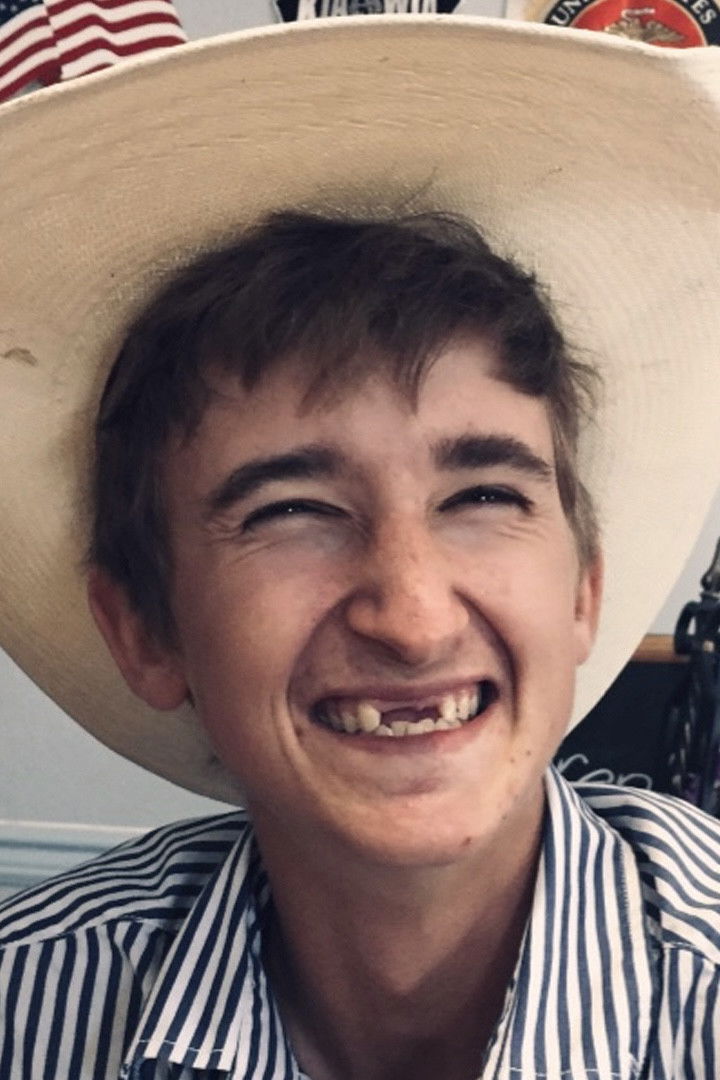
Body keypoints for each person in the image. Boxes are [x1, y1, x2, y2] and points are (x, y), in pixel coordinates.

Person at [1, 15, 719, 1080]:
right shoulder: (30, 1010)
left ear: (585, 590)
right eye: (291, 511)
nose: (414, 617)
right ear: (146, 628)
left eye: (483, 494)